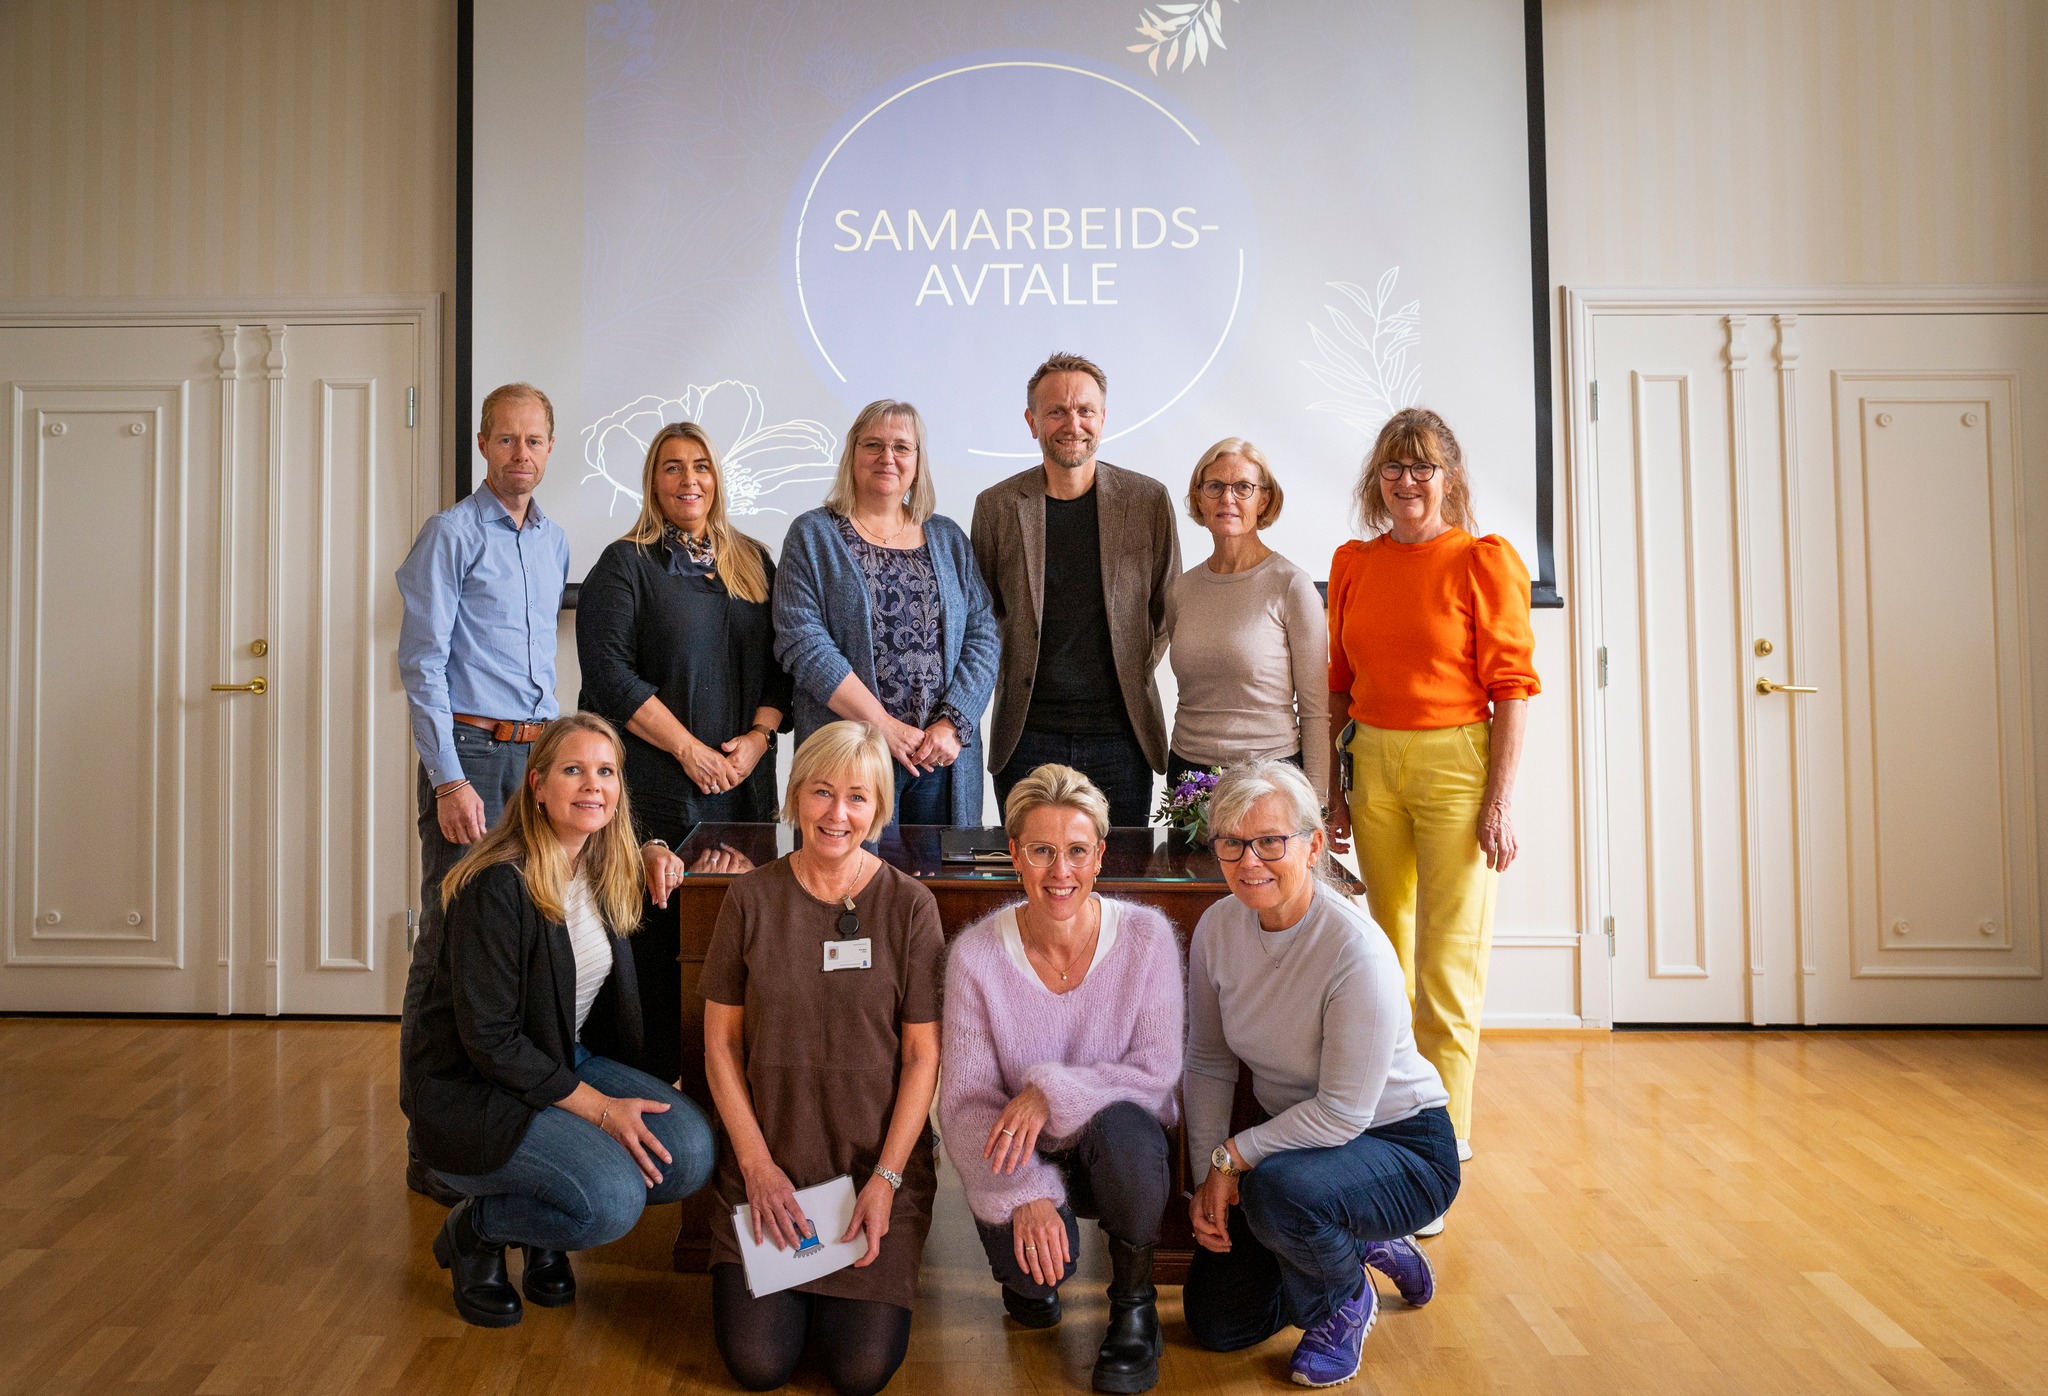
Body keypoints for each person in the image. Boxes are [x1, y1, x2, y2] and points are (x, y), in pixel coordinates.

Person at [405, 713, 717, 1328]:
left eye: (606, 772)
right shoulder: (498, 885)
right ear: (538, 785)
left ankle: (545, 1222)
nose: (592, 785)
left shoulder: (601, 866)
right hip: (479, 1089)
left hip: (560, 1056)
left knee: (690, 1151)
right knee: (612, 1203)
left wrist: (657, 849)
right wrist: (602, 1109)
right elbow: (490, 1043)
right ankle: (479, 1229)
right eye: (573, 770)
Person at [1181, 760, 1457, 1386]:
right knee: (1219, 1324)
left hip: (1400, 1145)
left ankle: (1343, 1301)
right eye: (1232, 842)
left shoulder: (1354, 948)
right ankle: (1352, 1240)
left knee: (1282, 1194)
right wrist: (1209, 1176)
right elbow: (1208, 1061)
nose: (1250, 862)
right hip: (1295, 1153)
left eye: (1270, 842)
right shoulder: (1218, 928)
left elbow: (1343, 1113)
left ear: (1312, 846)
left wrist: (1232, 1159)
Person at [1324, 407, 1540, 1194]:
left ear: (1450, 477)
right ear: (1375, 481)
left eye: (1422, 468)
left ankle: (1443, 1141)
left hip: (1458, 764)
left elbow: (1512, 690)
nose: (1407, 482)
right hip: (1373, 762)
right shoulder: (1354, 561)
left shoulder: (1483, 560)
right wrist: (1337, 795)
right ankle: (1397, 1113)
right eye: (1393, 468)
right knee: (1382, 955)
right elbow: (1339, 690)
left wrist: (1500, 802)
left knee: (1447, 962)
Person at [699, 721, 944, 1396]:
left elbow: (924, 1056)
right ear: (794, 796)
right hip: (768, 1165)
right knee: (758, 1364)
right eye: (822, 792)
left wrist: (887, 1180)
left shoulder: (910, 907)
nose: (838, 814)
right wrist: (756, 1168)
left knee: (860, 1371)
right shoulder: (750, 898)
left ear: (879, 809)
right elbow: (718, 1043)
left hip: (872, 1172)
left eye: (858, 798)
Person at [938, 764, 1183, 1394]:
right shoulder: (974, 956)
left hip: (1115, 1148)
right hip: (1020, 1157)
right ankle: (1030, 1269)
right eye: (1042, 851)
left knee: (1130, 1131)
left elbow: (1156, 1075)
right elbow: (964, 1107)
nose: (1060, 872)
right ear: (1014, 855)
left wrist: (1051, 1094)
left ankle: (1133, 1309)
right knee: (1036, 1285)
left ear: (1100, 855)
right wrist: (1026, 1192)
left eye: (1076, 851)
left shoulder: (1147, 937)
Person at [397, 381, 572, 1205]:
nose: (522, 456)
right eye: (506, 441)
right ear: (481, 444)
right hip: (470, 757)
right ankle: (428, 1141)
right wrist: (449, 779)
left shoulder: (555, 541)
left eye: (534, 441)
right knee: (446, 946)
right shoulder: (451, 534)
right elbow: (422, 663)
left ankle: (497, 1124)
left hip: (535, 760)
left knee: (518, 946)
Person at [576, 420, 792, 1078]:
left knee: (734, 948)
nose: (688, 479)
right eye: (672, 467)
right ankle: (646, 1087)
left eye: (700, 465)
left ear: (717, 478)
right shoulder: (625, 564)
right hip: (657, 791)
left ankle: (723, 1089)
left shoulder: (753, 560)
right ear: (652, 481)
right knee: (655, 947)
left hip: (745, 791)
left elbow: (782, 668)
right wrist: (691, 751)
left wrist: (756, 741)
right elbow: (609, 677)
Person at [971, 353, 1179, 828]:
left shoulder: (1147, 501)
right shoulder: (997, 507)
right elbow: (983, 618)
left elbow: (1167, 608)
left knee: (1121, 879)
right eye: (1057, 411)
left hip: (1121, 737)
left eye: (1085, 410)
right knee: (1031, 875)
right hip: (1027, 735)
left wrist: (1135, 668)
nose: (1073, 423)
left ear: (1102, 419)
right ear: (1032, 421)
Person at [773, 401, 999, 827]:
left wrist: (954, 723)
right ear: (852, 455)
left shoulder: (947, 537)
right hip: (848, 758)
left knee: (941, 890)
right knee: (851, 886)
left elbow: (982, 634)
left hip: (939, 762)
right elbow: (801, 641)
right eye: (873, 444)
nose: (887, 457)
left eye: (901, 447)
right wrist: (881, 726)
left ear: (918, 461)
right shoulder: (813, 534)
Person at [1167, 438, 1329, 797]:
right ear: (1198, 499)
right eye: (1215, 487)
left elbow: (1316, 712)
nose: (1228, 498)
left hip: (1269, 781)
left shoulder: (1292, 585)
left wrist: (1316, 806)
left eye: (1243, 487)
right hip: (1187, 776)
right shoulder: (1182, 589)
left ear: (1264, 500)